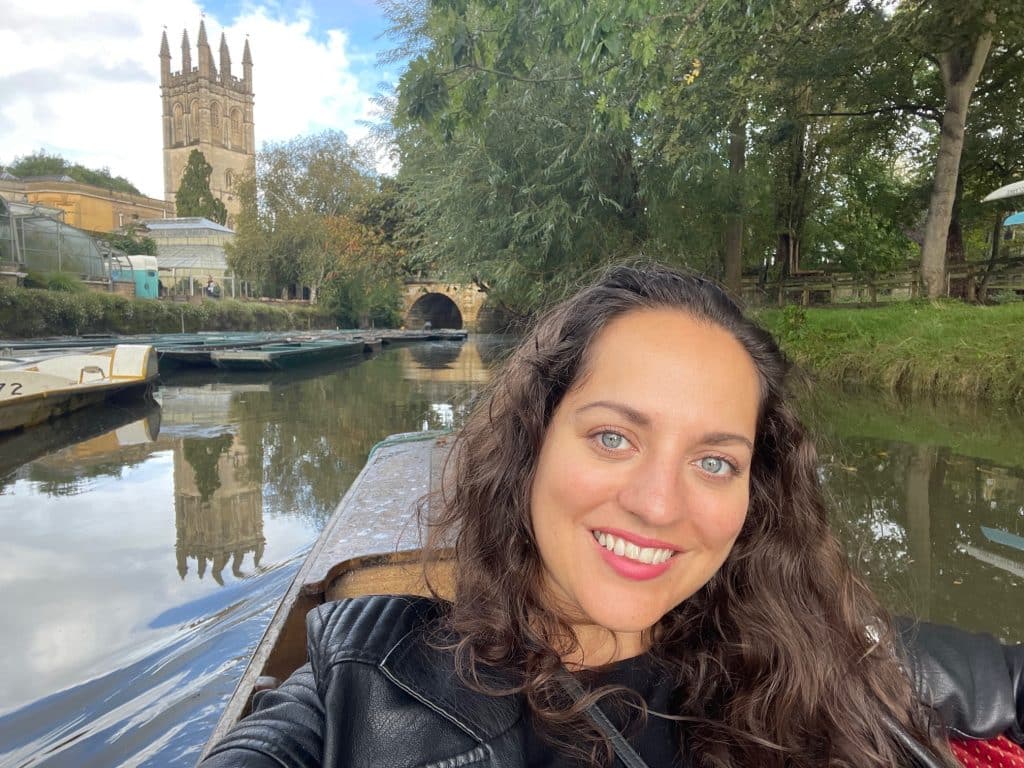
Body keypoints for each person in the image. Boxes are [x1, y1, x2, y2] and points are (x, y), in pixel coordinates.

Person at [202, 264, 1024, 768]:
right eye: (612, 436)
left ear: (755, 492)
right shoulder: (360, 690)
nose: (660, 505)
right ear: (531, 444)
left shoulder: (832, 650)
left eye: (714, 461)